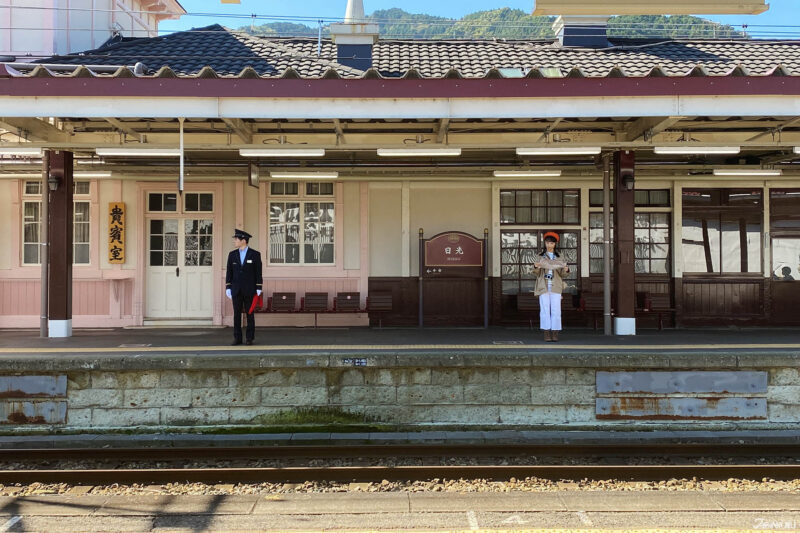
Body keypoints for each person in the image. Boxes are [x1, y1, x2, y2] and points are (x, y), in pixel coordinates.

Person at [226, 229, 263, 346]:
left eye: (236, 239)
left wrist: (258, 287)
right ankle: (237, 338)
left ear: (243, 240)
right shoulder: (232, 255)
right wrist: (228, 287)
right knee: (236, 314)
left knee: (250, 314)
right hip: (236, 289)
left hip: (250, 289)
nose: (234, 241)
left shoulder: (255, 254)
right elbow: (229, 272)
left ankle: (249, 338)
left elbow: (258, 272)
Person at [533, 231, 569, 342]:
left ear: (555, 244)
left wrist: (566, 270)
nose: (549, 245)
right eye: (548, 243)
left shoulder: (560, 257)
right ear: (545, 243)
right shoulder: (539, 256)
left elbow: (563, 274)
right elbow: (536, 273)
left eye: (552, 243)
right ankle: (546, 333)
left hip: (556, 286)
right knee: (544, 310)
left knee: (556, 310)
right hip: (543, 286)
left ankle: (555, 332)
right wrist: (537, 267)